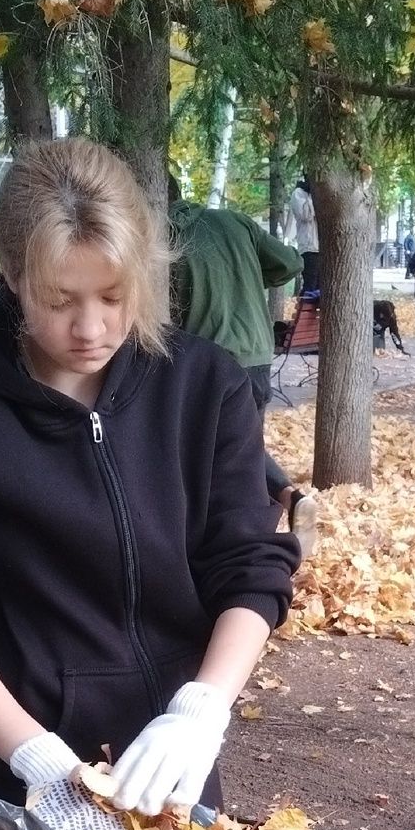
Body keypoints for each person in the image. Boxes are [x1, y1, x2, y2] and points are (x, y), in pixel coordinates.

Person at [0, 137, 299, 830]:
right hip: (30, 755)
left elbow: (250, 564)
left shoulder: (205, 387)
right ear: (11, 274)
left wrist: (200, 712)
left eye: (113, 296)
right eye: (59, 300)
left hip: (177, 752)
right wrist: (37, 761)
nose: (90, 329)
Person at [169, 184, 319, 555]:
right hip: (256, 352)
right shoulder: (236, 222)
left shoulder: (166, 235)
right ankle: (288, 499)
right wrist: (246, 272)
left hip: (206, 359)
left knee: (214, 451)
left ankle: (249, 535)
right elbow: (290, 262)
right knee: (244, 444)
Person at [287, 177, 320, 292]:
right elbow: (306, 215)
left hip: (324, 249)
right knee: (310, 286)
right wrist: (313, 195)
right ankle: (305, 308)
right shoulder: (299, 193)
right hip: (309, 248)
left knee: (322, 287)